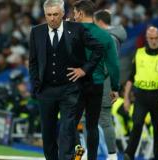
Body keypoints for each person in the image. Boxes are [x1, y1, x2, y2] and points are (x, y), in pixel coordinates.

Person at [28, 0, 104, 159]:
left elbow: (98, 48)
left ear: (63, 14)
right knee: (47, 134)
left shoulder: (76, 29)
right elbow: (33, 62)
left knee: (67, 131)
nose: (52, 18)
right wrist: (36, 86)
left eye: (55, 14)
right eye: (49, 15)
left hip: (70, 89)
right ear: (45, 15)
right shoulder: (36, 32)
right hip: (46, 91)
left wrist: (84, 70)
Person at [73, 1, 120, 160]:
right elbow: (113, 64)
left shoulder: (71, 32)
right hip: (97, 85)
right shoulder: (105, 36)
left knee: (71, 123)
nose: (73, 16)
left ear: (80, 13)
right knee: (92, 125)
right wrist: (115, 87)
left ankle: (76, 155)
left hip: (75, 84)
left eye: (74, 13)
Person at [123, 26, 158, 160]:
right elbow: (131, 77)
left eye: (156, 38)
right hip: (140, 95)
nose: (154, 41)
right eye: (151, 38)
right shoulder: (138, 53)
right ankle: (129, 154)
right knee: (137, 123)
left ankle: (157, 156)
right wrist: (126, 98)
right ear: (146, 39)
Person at [93, 9, 127, 160]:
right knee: (98, 120)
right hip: (106, 83)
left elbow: (108, 66)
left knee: (99, 120)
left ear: (100, 22)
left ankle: (111, 155)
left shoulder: (108, 38)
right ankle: (109, 155)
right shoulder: (114, 37)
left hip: (100, 83)